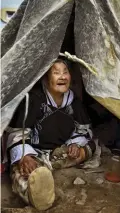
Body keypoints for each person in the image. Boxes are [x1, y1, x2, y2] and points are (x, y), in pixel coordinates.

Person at [6, 59, 96, 210]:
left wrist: (75, 144)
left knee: (89, 148)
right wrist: (25, 156)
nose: (62, 76)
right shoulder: (33, 100)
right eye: (56, 73)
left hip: (61, 151)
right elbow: (17, 133)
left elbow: (83, 129)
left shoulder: (74, 102)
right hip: (35, 152)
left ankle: (48, 167)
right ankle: (37, 195)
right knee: (21, 172)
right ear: (46, 79)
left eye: (65, 72)